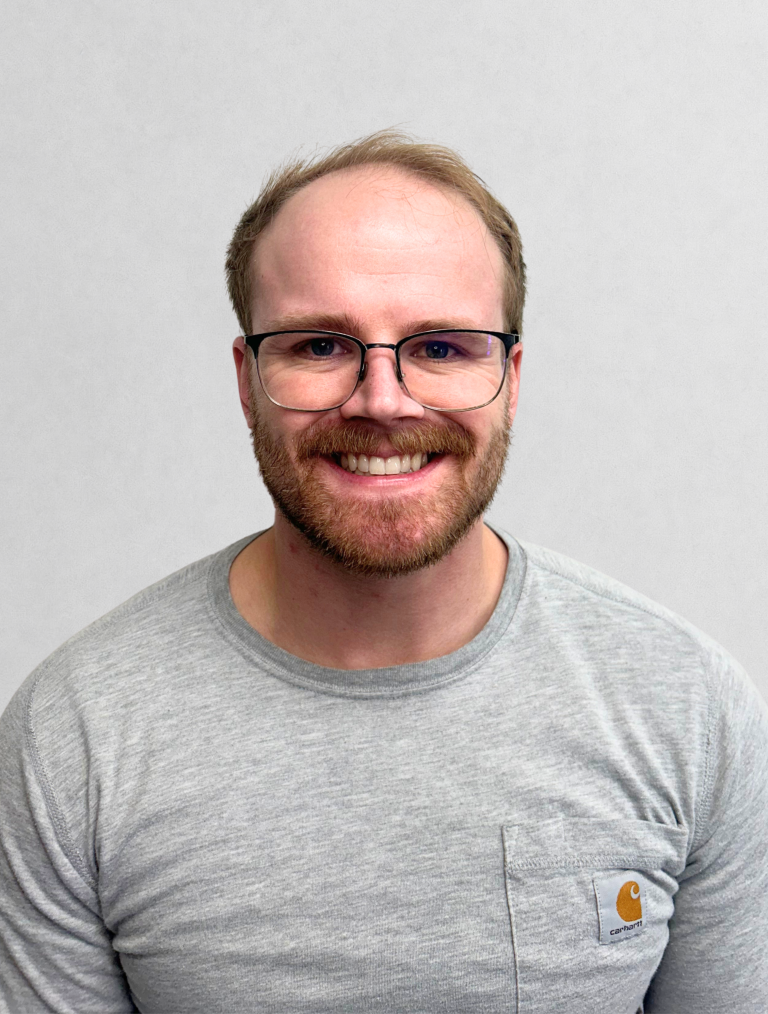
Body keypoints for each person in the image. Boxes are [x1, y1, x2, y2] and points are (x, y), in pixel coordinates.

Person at [1, 131, 766, 1014]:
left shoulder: (687, 709)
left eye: (441, 348)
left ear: (511, 379)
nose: (382, 400)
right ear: (247, 381)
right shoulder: (76, 738)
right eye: (320, 346)